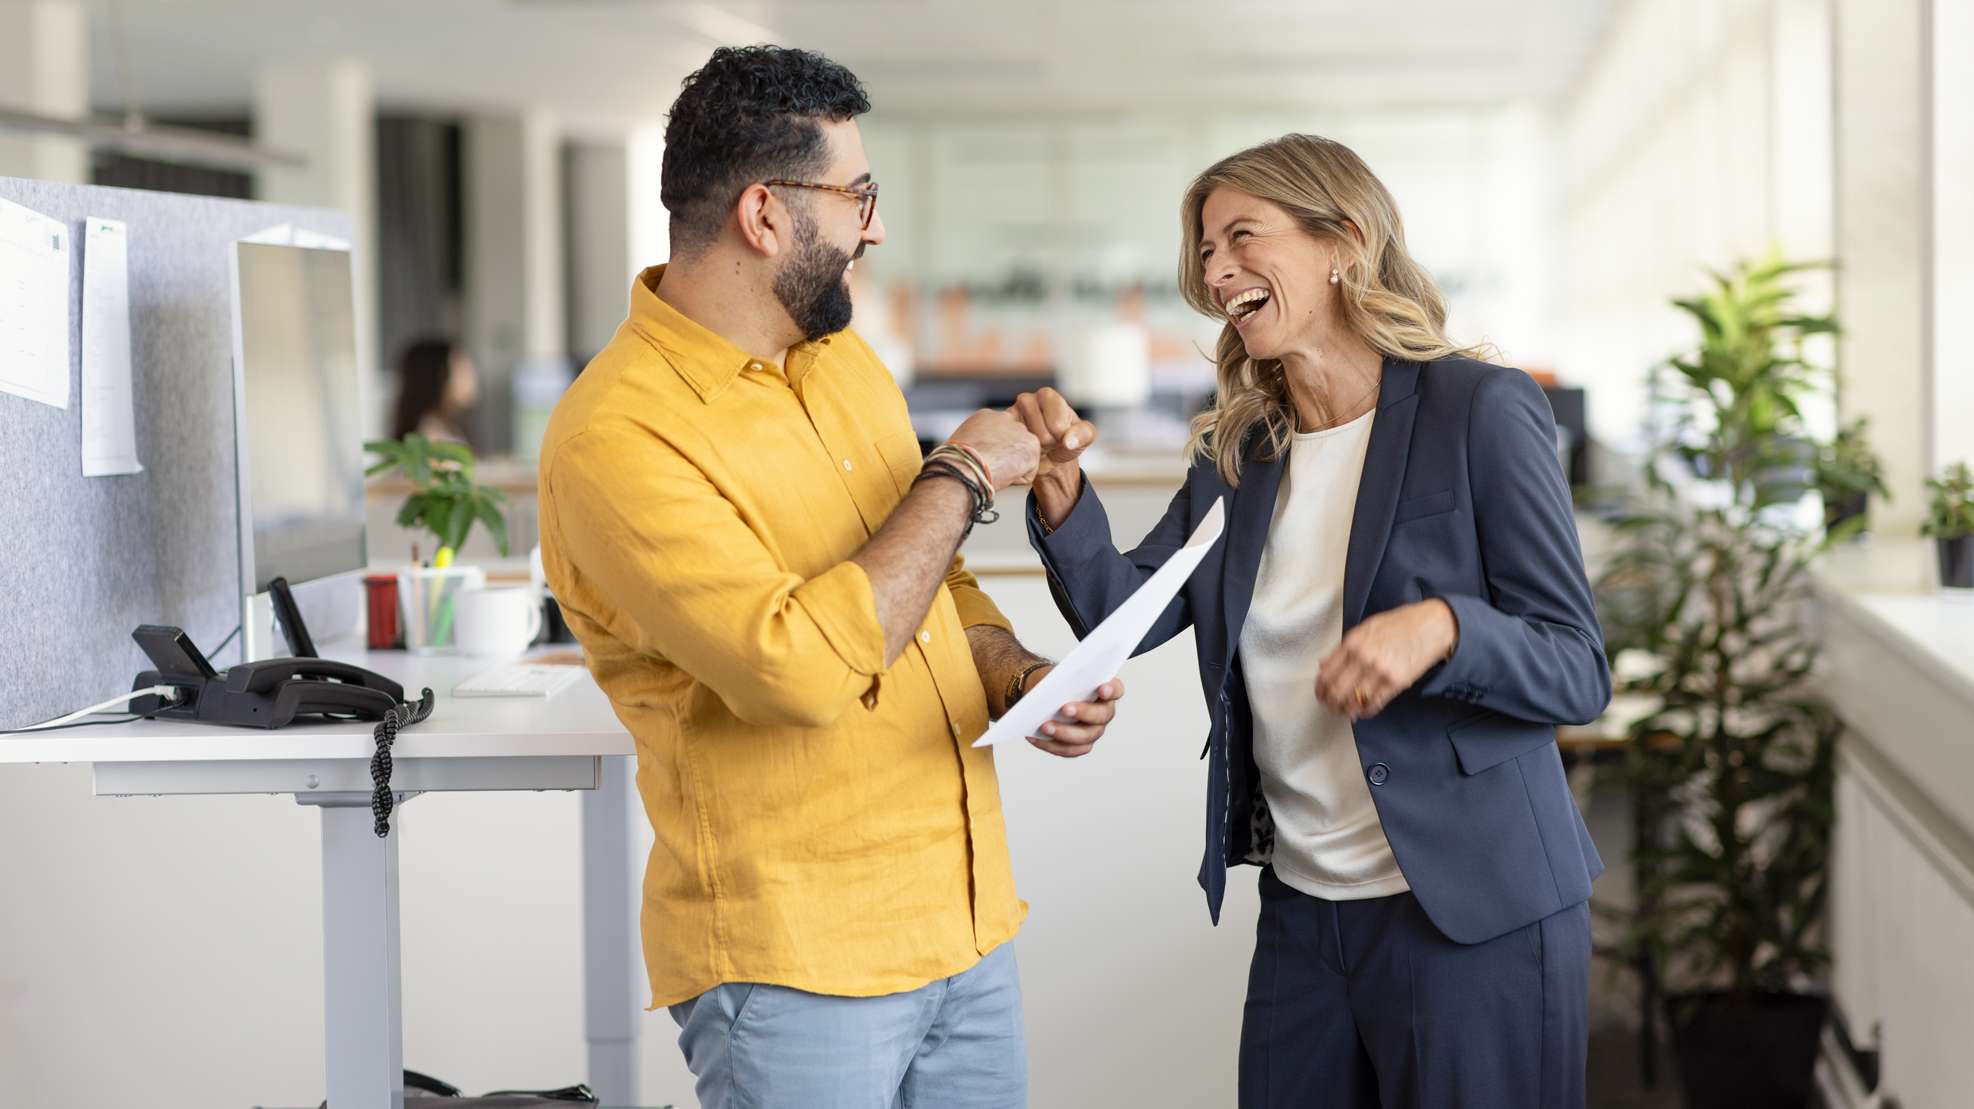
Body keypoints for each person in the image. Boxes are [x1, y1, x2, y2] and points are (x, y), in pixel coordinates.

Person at [535, 46, 1126, 1109]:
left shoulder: (843, 361)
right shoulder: (615, 437)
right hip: (797, 967)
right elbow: (799, 672)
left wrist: (1015, 674)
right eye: (858, 196)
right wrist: (957, 473)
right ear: (765, 214)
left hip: (963, 923)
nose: (876, 228)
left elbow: (928, 587)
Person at [1014, 133, 1609, 1108]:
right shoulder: (1241, 454)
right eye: (1204, 252)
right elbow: (1120, 607)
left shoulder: (1479, 409)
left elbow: (1576, 667)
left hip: (1471, 910)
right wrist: (1059, 491)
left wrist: (1445, 628)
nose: (1214, 272)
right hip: (1304, 912)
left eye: (1240, 237)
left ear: (1343, 237)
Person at [389, 336, 479, 443]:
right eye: (462, 371)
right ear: (437, 377)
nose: (472, 378)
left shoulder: (445, 428)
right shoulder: (431, 437)